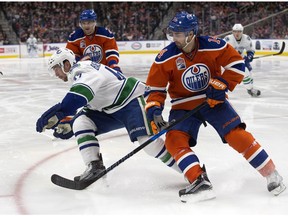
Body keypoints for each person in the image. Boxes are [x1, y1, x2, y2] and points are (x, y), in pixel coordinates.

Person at [145, 11, 285, 203]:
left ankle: (271, 173)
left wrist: (221, 84)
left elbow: (237, 64)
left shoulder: (212, 45)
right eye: (173, 33)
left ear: (191, 34)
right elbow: (155, 88)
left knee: (236, 134)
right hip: (183, 105)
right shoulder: (165, 57)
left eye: (178, 34)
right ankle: (199, 181)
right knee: (174, 140)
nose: (174, 38)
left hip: (213, 101)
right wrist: (154, 110)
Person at [36, 48, 180, 182]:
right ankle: (94, 166)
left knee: (149, 144)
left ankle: (188, 170)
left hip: (130, 101)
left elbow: (78, 97)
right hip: (109, 108)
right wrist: (71, 123)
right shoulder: (81, 70)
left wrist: (58, 112)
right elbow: (91, 101)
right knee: (80, 122)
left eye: (56, 68)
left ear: (66, 64)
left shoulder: (81, 70)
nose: (55, 74)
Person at [224, 24, 261, 97]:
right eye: (235, 31)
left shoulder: (246, 39)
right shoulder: (227, 39)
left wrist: (249, 56)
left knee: (249, 72)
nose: (237, 33)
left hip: (241, 59)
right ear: (232, 31)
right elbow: (222, 51)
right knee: (244, 73)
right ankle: (221, 91)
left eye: (239, 31)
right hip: (229, 60)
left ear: (242, 32)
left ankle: (250, 89)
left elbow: (250, 50)